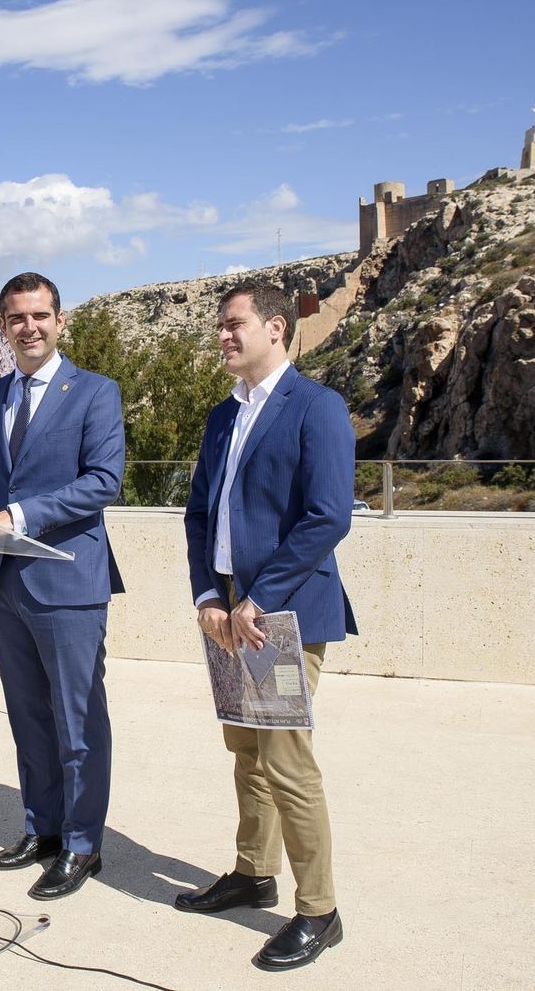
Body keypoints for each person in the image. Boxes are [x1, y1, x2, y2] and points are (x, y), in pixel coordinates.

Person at [179, 281, 357, 972]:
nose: (222, 335)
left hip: (280, 614)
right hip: (227, 611)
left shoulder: (316, 407)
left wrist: (261, 597)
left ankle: (320, 910)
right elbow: (200, 515)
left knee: (287, 761)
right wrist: (208, 595)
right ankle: (254, 872)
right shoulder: (224, 416)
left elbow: (328, 515)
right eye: (220, 325)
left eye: (233, 324)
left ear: (275, 328)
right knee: (246, 751)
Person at [0, 271, 125, 901]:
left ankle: (83, 844)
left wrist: (13, 516)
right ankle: (41, 828)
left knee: (76, 718)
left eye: (39, 316)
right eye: (16, 318)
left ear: (60, 320)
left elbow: (104, 481)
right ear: (3, 326)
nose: (30, 328)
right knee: (26, 715)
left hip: (68, 578)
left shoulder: (96, 393)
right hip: (5, 580)